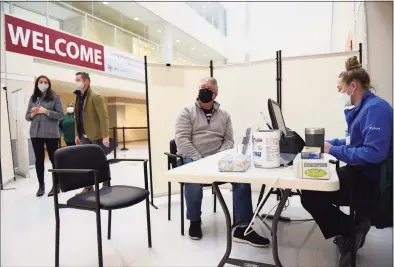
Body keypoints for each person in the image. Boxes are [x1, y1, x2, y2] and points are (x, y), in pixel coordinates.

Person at [301, 56, 393, 267]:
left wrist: (332, 150)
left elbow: (373, 153)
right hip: (361, 172)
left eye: (339, 88)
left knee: (310, 193)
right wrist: (328, 143)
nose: (338, 93)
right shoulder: (363, 108)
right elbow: (354, 141)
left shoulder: (375, 110)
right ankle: (354, 227)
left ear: (352, 87)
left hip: (370, 180)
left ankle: (351, 229)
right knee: (314, 187)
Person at [175, 77, 270, 247]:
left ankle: (242, 228)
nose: (204, 89)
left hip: (219, 161)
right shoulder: (186, 111)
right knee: (192, 180)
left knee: (242, 178)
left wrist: (217, 158)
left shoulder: (224, 115)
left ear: (215, 93)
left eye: (208, 87)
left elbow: (228, 141)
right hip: (194, 160)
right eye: (202, 86)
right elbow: (181, 140)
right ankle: (195, 220)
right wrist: (200, 160)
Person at [25, 75, 64, 197]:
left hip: (51, 133)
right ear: (37, 84)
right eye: (40, 82)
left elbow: (61, 115)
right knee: (39, 160)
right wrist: (31, 114)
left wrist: (46, 111)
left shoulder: (55, 97)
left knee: (54, 159)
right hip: (35, 133)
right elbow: (27, 117)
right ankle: (41, 185)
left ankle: (57, 185)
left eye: (45, 82)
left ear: (49, 84)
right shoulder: (33, 98)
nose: (43, 83)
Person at [73, 72, 110, 194]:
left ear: (86, 82)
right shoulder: (78, 97)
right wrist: (77, 134)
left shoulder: (96, 96)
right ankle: (89, 186)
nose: (76, 82)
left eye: (78, 80)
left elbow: (104, 117)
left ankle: (106, 184)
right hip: (83, 135)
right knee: (85, 161)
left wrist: (105, 136)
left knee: (100, 160)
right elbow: (77, 118)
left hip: (96, 135)